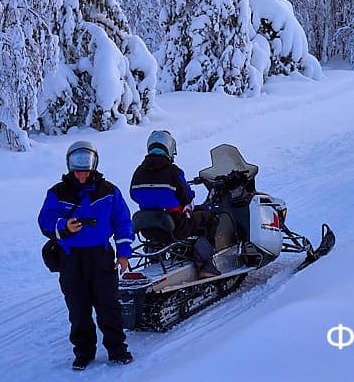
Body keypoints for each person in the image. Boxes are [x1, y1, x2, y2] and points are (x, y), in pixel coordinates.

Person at [37, 140, 135, 371]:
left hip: (101, 256)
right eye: (77, 171)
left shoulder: (109, 191)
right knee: (78, 309)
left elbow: (122, 222)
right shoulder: (57, 192)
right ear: (70, 167)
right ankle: (83, 353)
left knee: (108, 306)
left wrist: (123, 254)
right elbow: (44, 220)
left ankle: (117, 349)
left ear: (94, 166)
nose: (81, 176)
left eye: (86, 170)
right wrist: (63, 226)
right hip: (71, 259)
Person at [129, 130, 222, 279]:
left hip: (148, 227)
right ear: (169, 149)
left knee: (192, 215)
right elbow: (186, 196)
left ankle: (155, 259)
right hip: (175, 225)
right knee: (209, 218)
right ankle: (206, 265)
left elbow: (133, 194)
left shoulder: (138, 172)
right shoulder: (173, 171)